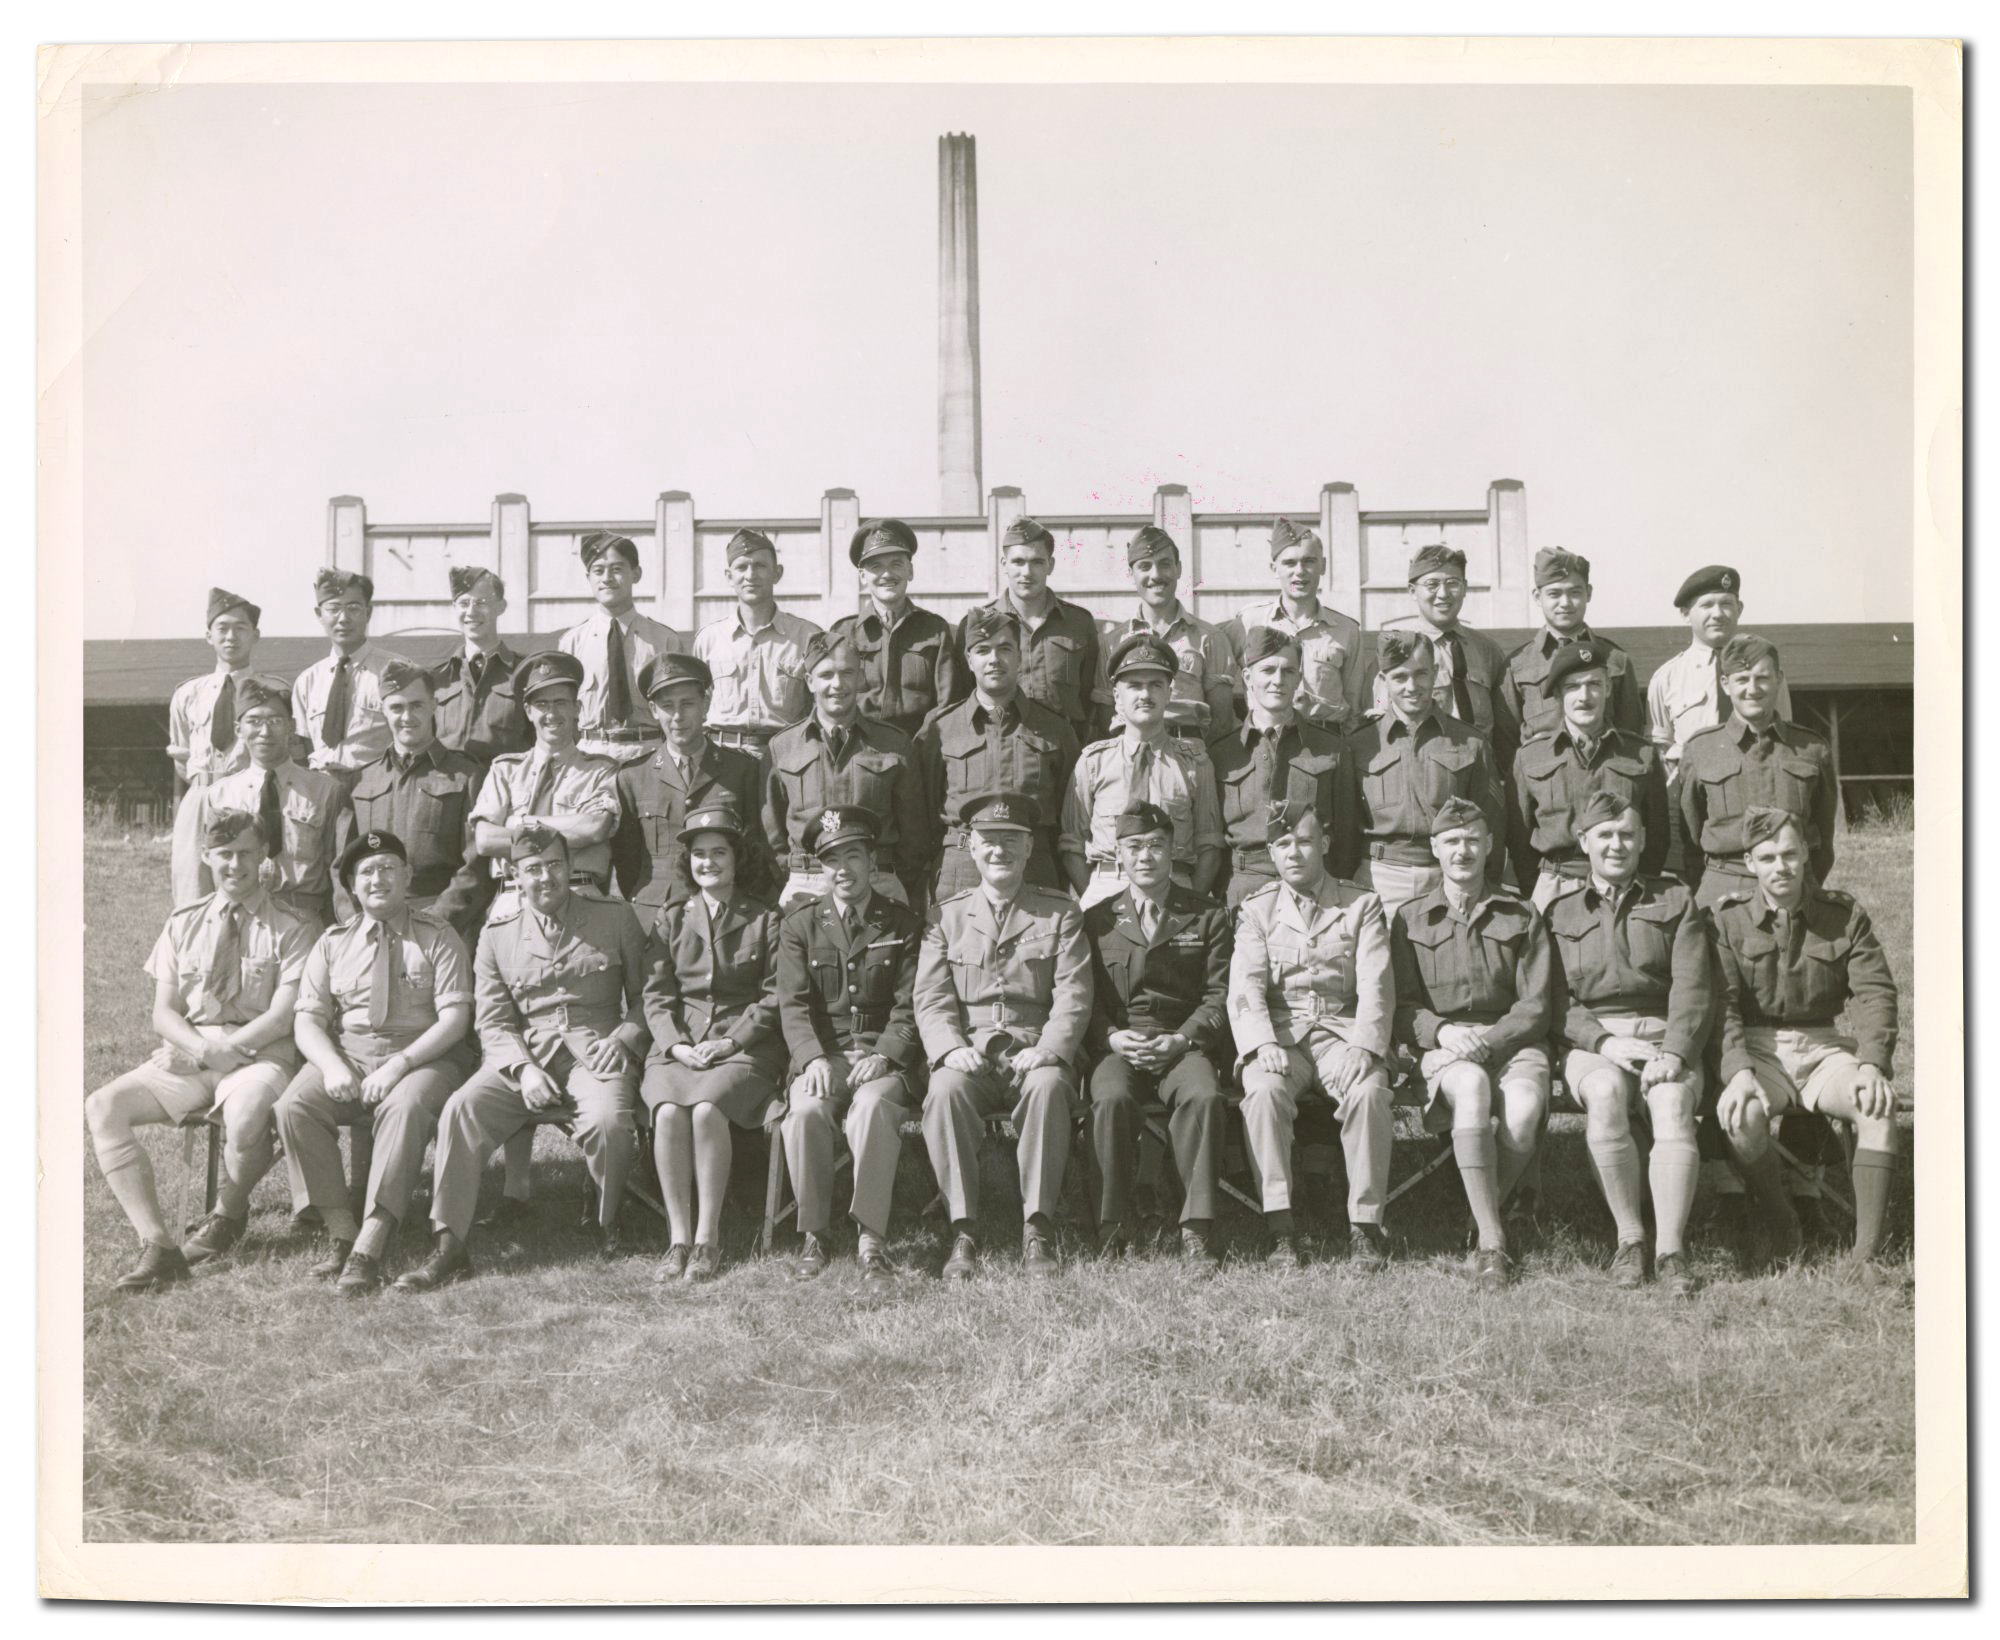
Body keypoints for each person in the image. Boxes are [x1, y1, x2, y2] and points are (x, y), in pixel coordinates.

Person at [396, 826, 649, 1290]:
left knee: (608, 1122)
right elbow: (492, 1020)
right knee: (461, 1110)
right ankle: (450, 1246)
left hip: (595, 1049)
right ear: (515, 876)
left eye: (554, 865)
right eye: (533, 869)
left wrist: (623, 1039)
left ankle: (608, 1220)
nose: (545, 877)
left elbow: (645, 998)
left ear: (570, 867)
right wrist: (525, 1069)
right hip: (525, 1055)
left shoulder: (615, 917)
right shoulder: (498, 935)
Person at [84, 810, 312, 1292]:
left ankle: (228, 1215)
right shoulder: (183, 922)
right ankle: (159, 1246)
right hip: (193, 1053)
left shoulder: (292, 926)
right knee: (104, 1107)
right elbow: (163, 1012)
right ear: (207, 857)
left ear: (263, 855)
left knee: (246, 1117)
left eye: (246, 853)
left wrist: (219, 1051)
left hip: (260, 1055)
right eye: (224, 854)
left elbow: (283, 1016)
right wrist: (203, 1051)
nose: (235, 865)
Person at [273, 829, 476, 1296]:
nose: (377, 878)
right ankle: (341, 1231)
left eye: (388, 868)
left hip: (425, 1058)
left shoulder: (438, 936)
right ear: (351, 886)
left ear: (407, 876)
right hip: (351, 1054)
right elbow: (308, 1021)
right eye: (366, 872)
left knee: (404, 1108)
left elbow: (454, 1021)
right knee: (294, 1106)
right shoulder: (332, 942)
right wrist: (332, 1066)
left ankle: (371, 1242)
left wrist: (399, 1065)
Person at [1709, 806, 1902, 1280]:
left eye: (1790, 854)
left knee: (1876, 1107)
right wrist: (1738, 1071)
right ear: (1749, 863)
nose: (1781, 867)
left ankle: (1866, 1255)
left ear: (1806, 854)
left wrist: (1872, 1064)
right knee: (1742, 1114)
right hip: (1758, 1048)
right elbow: (1722, 1004)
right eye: (1767, 857)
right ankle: (1784, 1222)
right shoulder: (1727, 920)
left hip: (1823, 1048)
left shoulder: (1843, 915)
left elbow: (1875, 993)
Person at [914, 792, 1094, 1281]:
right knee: (944, 1091)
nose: (1000, 851)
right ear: (971, 848)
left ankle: (1038, 1226)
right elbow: (930, 997)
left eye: (1012, 841)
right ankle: (963, 1228)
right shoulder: (946, 916)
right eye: (989, 841)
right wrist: (950, 1050)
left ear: (1030, 848)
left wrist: (1049, 1049)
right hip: (970, 1049)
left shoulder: (1059, 913)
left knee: (1049, 1087)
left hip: (1033, 1046)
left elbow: (1074, 993)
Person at [1546, 786, 1715, 1297]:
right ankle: (1630, 1239)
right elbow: (1554, 1000)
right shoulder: (1558, 913)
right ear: (1583, 841)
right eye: (1604, 835)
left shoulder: (1675, 899)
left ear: (1642, 840)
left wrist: (1676, 1053)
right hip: (1594, 1043)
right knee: (1605, 1094)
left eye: (1626, 834)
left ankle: (1671, 1250)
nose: (1616, 845)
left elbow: (1694, 987)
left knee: (1672, 1103)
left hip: (1665, 1036)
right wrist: (1602, 1043)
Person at [1388, 798, 1552, 1289]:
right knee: (1473, 1087)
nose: (1463, 851)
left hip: (1513, 1042)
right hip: (1445, 1045)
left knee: (1524, 1112)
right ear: (1435, 848)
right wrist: (1443, 1032)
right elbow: (1401, 1006)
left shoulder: (1521, 912)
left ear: (1490, 846)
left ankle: (1481, 1210)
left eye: (1473, 841)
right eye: (1452, 842)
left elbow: (1536, 1004)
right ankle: (1492, 1242)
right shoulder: (1410, 918)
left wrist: (1491, 1039)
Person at [1230, 804, 1395, 1271]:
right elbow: (1245, 986)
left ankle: (1364, 1227)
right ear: (1270, 852)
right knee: (1263, 1093)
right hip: (1282, 1038)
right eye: (1283, 844)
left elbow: (1377, 984)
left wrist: (1365, 1045)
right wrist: (1263, 1043)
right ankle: (1281, 1228)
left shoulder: (1361, 904)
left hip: (1342, 1035)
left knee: (1369, 1092)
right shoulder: (1257, 909)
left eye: (1304, 841)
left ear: (1324, 843)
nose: (1294, 852)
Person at [774, 805, 926, 1285]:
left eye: (853, 857)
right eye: (832, 860)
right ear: (821, 868)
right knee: (805, 1111)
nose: (843, 870)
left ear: (872, 861)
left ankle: (870, 1240)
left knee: (872, 1108)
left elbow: (910, 1006)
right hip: (827, 1054)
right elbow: (792, 1006)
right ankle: (814, 1233)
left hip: (884, 1058)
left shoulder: (901, 924)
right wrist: (811, 1059)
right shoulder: (800, 925)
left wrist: (884, 1055)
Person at [1080, 802, 1233, 1268]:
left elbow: (1219, 995)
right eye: (1134, 847)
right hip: (1120, 1045)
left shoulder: (1207, 916)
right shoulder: (1097, 920)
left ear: (1174, 851)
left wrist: (1183, 1040)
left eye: (1156, 846)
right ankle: (1109, 1225)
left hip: (1182, 1045)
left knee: (1204, 1096)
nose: (1145, 856)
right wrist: (1111, 1037)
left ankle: (1196, 1228)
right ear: (1118, 855)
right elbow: (1084, 999)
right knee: (1109, 1099)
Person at [639, 799, 786, 1283]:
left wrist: (730, 1043)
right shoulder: (672, 918)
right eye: (699, 854)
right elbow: (656, 996)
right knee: (667, 1112)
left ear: (737, 858)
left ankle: (708, 1239)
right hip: (680, 1046)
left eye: (719, 852)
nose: (708, 862)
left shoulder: (765, 919)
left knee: (706, 1110)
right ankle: (677, 1239)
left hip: (744, 1049)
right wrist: (675, 1045)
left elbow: (774, 996)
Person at [912, 607, 1081, 901]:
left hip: (1033, 866)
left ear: (1019, 656)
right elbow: (922, 812)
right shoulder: (941, 729)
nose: (994, 659)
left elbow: (1069, 813)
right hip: (961, 867)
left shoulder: (1054, 728)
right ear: (969, 660)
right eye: (983, 650)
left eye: (1004, 648)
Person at [1344, 630, 1505, 921]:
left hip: (1448, 876)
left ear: (1435, 672)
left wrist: (1480, 887)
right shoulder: (1360, 745)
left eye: (1421, 674)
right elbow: (1345, 828)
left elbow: (1491, 823)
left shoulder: (1470, 742)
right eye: (1399, 677)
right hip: (1380, 879)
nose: (1412, 686)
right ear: (1383, 680)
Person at [332, 658, 494, 944]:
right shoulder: (361, 780)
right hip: (372, 926)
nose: (407, 716)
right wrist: (357, 923)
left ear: (434, 705)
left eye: (417, 705)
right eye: (397, 707)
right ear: (383, 710)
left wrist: (433, 923)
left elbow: (476, 867)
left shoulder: (467, 775)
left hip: (443, 926)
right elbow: (341, 868)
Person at [763, 633, 929, 911]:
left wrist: (884, 873)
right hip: (807, 883)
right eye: (826, 675)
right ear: (810, 681)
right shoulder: (783, 746)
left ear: (860, 678)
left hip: (877, 880)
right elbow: (772, 835)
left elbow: (915, 833)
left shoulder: (894, 743)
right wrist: (796, 875)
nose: (837, 684)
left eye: (847, 673)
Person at [1061, 633, 1223, 909]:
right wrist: (1097, 903)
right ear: (1117, 696)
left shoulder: (1195, 763)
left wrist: (1188, 903)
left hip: (1174, 887)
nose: (1145, 695)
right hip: (1108, 885)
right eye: (1134, 686)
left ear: (1169, 693)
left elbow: (1209, 845)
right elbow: (1071, 844)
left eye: (1156, 685)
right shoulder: (1093, 762)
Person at [1677, 633, 1838, 911]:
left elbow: (1823, 838)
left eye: (1762, 678)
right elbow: (1688, 840)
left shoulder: (1811, 748)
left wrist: (1802, 881)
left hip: (1794, 887)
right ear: (1725, 684)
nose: (1752, 689)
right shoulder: (1701, 749)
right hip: (1724, 891)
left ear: (1779, 679)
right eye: (1742, 679)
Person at [1508, 638, 1670, 910]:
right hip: (1556, 885)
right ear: (1558, 695)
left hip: (1624, 886)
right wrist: (1538, 887)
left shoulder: (1640, 753)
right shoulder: (1530, 757)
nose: (1585, 696)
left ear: (1608, 689)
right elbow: (1518, 837)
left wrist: (1636, 883)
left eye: (1594, 684)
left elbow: (1657, 834)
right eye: (1573, 687)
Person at [610, 651, 769, 923]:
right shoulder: (633, 777)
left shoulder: (742, 770)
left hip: (727, 912)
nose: (677, 716)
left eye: (687, 704)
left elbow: (756, 850)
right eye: (667, 706)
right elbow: (627, 862)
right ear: (653, 710)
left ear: (705, 704)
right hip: (656, 915)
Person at [1209, 627, 1352, 908]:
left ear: (1299, 677)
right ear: (1247, 678)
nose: (1278, 680)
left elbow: (1346, 836)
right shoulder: (1222, 753)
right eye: (1267, 670)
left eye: (1288, 671)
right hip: (1244, 890)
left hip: (1313, 890)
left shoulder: (1330, 748)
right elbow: (1214, 840)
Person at [471, 651, 621, 903]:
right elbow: (485, 839)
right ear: (528, 712)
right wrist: (567, 829)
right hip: (514, 896)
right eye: (542, 705)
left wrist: (519, 822)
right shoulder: (504, 770)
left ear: (577, 709)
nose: (552, 713)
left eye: (560, 703)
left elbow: (594, 828)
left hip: (578, 893)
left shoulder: (601, 770)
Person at [202, 677, 343, 935]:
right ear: (238, 729)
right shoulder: (220, 794)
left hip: (304, 918)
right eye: (254, 721)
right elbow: (210, 870)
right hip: (241, 918)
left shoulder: (325, 791)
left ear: (291, 727)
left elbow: (337, 869)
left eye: (275, 721)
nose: (265, 732)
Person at [950, 516, 1100, 749]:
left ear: (1050, 565)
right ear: (1004, 564)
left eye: (1037, 562)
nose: (1027, 572)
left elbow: (1090, 700)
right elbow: (962, 699)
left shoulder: (1078, 623)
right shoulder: (975, 625)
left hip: (1065, 751)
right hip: (999, 750)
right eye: (1018, 562)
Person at [1373, 544, 1519, 772]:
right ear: (1412, 591)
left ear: (1465, 588)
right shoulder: (1398, 650)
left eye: (1452, 583)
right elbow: (1381, 718)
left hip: (1482, 771)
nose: (1443, 594)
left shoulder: (1487, 650)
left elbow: (1504, 726)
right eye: (1432, 584)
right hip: (1426, 771)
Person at [1645, 563, 1795, 786]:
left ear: (1739, 609)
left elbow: (1785, 735)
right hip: (1695, 793)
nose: (1717, 614)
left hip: (1758, 788)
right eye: (1706, 605)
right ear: (1686, 614)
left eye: (1726, 604)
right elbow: (1661, 750)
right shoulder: (1666, 679)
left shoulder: (1766, 672)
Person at [1092, 525, 1239, 743]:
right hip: (1131, 752)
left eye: (1165, 564)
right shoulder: (1113, 643)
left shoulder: (1209, 638)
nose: (1156, 575)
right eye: (1145, 566)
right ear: (1131, 574)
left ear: (1178, 569)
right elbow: (1105, 718)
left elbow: (1221, 721)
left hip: (1188, 751)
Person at [557, 530, 692, 766]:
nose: (607, 578)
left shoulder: (664, 640)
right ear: (588, 578)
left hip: (649, 752)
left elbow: (681, 708)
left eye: (617, 569)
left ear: (636, 574)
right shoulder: (572, 642)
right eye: (598, 571)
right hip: (591, 754)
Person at [1220, 517, 1365, 733]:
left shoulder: (1346, 631)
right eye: (1289, 563)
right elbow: (1218, 684)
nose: (1300, 571)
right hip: (1265, 738)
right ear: (1274, 568)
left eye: (1309, 561)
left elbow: (1355, 707)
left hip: (1326, 739)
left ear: (1323, 565)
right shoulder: (1248, 623)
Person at [693, 528, 823, 759]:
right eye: (741, 567)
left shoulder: (807, 636)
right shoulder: (709, 639)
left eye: (760, 566)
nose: (750, 575)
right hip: (722, 757)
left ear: (777, 573)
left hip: (786, 758)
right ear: (729, 576)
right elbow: (697, 706)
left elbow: (820, 705)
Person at [167, 586, 260, 906]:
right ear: (209, 636)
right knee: (193, 888)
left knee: (248, 887)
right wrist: (206, 788)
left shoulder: (271, 692)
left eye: (240, 628)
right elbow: (181, 757)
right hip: (200, 798)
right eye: (222, 628)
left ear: (255, 635)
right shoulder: (188, 694)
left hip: (249, 798)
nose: (231, 636)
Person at [827, 518, 957, 739]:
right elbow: (834, 700)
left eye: (896, 564)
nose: (887, 574)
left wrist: (918, 747)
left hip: (919, 748)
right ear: (863, 577)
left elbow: (947, 702)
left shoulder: (936, 631)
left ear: (910, 571)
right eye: (876, 567)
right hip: (860, 747)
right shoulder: (844, 633)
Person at [1500, 548, 1644, 746]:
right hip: (1539, 765)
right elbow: (1506, 740)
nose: (1565, 603)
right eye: (1554, 594)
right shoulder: (1517, 665)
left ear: (1589, 593)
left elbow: (1631, 730)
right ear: (1537, 597)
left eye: (1575, 592)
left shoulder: (1615, 659)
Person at [291, 569, 407, 797]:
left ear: (368, 613)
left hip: (379, 791)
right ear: (319, 614)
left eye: (353, 608)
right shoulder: (307, 681)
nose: (343, 618)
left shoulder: (397, 671)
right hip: (321, 791)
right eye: (334, 609)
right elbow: (302, 749)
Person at [429, 566, 531, 769]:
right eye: (464, 603)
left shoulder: (525, 672)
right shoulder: (438, 678)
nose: (471, 612)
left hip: (506, 783)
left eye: (481, 603)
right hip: (448, 785)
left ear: (501, 607)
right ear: (454, 608)